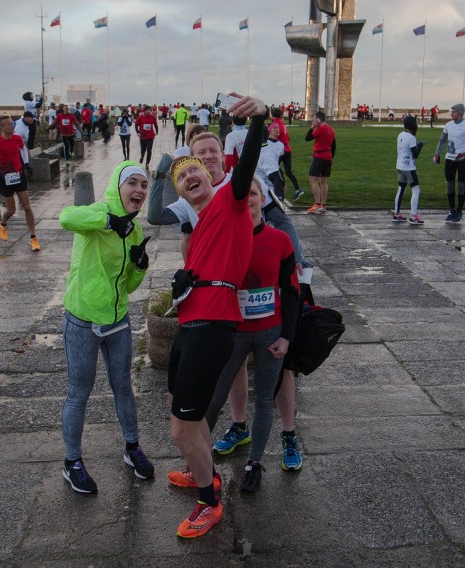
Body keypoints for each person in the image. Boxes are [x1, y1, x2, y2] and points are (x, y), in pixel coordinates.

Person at [165, 94, 267, 539]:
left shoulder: (230, 202)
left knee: (180, 428)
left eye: (197, 170)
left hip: (212, 325)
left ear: (212, 177)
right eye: (182, 174)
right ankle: (200, 468)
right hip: (190, 322)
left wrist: (261, 119)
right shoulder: (202, 222)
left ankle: (209, 501)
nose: (190, 174)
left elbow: (245, 169)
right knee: (178, 412)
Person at [58, 161, 155, 493]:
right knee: (79, 394)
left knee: (123, 386)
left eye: (144, 185)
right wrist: (108, 221)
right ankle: (72, 462)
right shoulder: (98, 215)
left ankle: (131, 447)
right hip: (82, 321)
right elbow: (66, 218)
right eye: (133, 183)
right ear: (118, 185)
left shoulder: (135, 231)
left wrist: (140, 267)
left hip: (118, 322)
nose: (139, 190)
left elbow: (126, 287)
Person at [202, 177, 300, 494]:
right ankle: (199, 463)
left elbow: (292, 291)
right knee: (215, 397)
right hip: (235, 333)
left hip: (270, 333)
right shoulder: (226, 239)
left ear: (262, 200)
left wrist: (287, 336)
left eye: (254, 194)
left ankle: (254, 464)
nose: (249, 200)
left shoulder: (280, 241)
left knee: (263, 401)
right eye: (244, 196)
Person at [0, 115, 40, 252]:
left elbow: (23, 149)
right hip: (4, 178)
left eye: (12, 123)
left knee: (27, 207)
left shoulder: (17, 138)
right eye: (9, 125)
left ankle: (33, 238)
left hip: (18, 175)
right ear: (2, 127)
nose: (12, 126)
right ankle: (3, 224)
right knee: (12, 210)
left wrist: (25, 164)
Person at [432, 103, 465, 223]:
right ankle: (452, 210)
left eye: (453, 112)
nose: (451, 113)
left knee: (461, 185)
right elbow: (442, 139)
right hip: (449, 159)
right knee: (449, 185)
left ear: (460, 113)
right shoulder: (448, 125)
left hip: (462, 159)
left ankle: (459, 210)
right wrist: (437, 153)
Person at [393, 115, 426, 224]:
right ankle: (413, 216)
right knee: (416, 190)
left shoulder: (400, 134)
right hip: (408, 167)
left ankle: (397, 214)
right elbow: (415, 154)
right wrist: (420, 146)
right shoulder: (411, 137)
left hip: (399, 165)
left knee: (401, 189)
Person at [305, 111, 336, 213]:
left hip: (320, 156)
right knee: (324, 181)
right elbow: (333, 145)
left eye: (314, 119)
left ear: (318, 120)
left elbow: (307, 138)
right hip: (328, 157)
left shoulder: (321, 129)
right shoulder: (331, 129)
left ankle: (317, 204)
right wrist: (332, 157)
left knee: (313, 179)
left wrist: (312, 127)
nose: (313, 121)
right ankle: (323, 204)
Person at [270, 107, 303, 202]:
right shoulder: (283, 124)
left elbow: (274, 135)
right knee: (288, 171)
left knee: (274, 168)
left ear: (272, 115)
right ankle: (297, 189)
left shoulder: (275, 124)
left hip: (280, 149)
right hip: (287, 148)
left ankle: (281, 187)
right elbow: (287, 136)